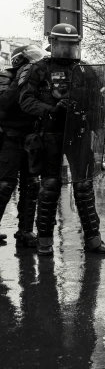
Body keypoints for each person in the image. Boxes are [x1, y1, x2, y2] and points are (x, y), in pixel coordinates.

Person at [19, 24, 105, 255]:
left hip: (78, 133)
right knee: (50, 186)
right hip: (50, 133)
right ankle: (44, 241)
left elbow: (96, 100)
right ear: (53, 43)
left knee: (83, 184)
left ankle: (93, 239)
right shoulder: (38, 69)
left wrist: (92, 118)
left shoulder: (85, 70)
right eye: (63, 44)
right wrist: (50, 110)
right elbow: (25, 101)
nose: (68, 48)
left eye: (72, 44)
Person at [0, 45, 46, 248]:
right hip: (9, 139)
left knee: (32, 185)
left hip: (31, 140)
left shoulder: (39, 79)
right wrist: (19, 81)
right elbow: (3, 106)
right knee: (5, 185)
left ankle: (25, 231)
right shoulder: (4, 78)